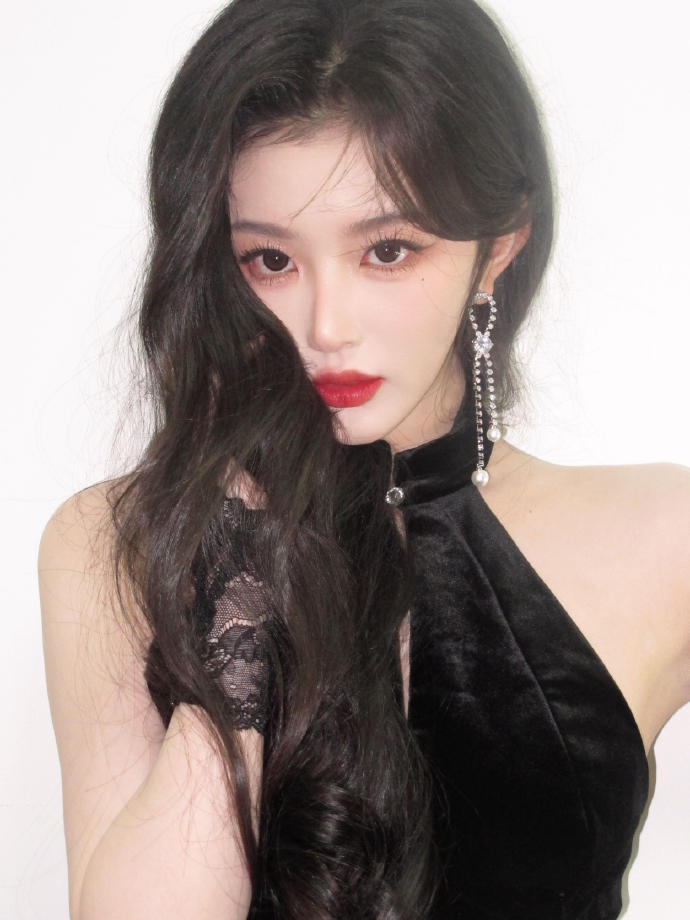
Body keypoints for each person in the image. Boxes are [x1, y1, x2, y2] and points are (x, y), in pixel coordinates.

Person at [37, 0, 690, 918]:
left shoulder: (663, 537)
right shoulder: (113, 544)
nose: (326, 327)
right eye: (270, 260)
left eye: (387, 250)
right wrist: (234, 593)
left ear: (497, 248)